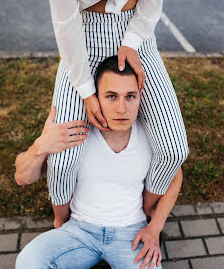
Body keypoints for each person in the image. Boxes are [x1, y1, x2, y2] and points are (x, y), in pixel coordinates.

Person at [43, 0, 189, 229]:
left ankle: (140, 213)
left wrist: (132, 41)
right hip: (82, 41)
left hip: (136, 38)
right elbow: (65, 20)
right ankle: (62, 222)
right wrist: (87, 92)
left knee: (173, 150)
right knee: (62, 161)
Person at [15, 56, 183, 268]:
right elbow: (21, 177)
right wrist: (40, 146)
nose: (122, 108)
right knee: (29, 262)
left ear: (140, 96)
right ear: (95, 98)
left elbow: (175, 175)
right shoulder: (75, 134)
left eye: (130, 96)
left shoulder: (150, 135)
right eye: (111, 96)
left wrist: (155, 228)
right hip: (79, 231)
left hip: (131, 232)